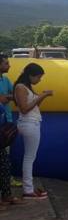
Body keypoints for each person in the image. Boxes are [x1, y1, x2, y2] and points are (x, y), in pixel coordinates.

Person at [14, 63, 53, 198]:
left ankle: (29, 187)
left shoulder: (25, 87)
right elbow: (24, 109)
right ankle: (28, 189)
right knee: (29, 158)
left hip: (32, 123)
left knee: (30, 157)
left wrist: (41, 97)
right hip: (29, 123)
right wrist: (42, 96)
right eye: (38, 77)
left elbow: (34, 106)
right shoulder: (20, 87)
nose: (39, 80)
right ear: (31, 75)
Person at [0, 54, 21, 190]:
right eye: (6, 63)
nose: (9, 65)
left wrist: (7, 97)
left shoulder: (5, 80)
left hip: (6, 121)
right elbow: (3, 99)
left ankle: (7, 181)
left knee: (6, 154)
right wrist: (6, 97)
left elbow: (14, 95)